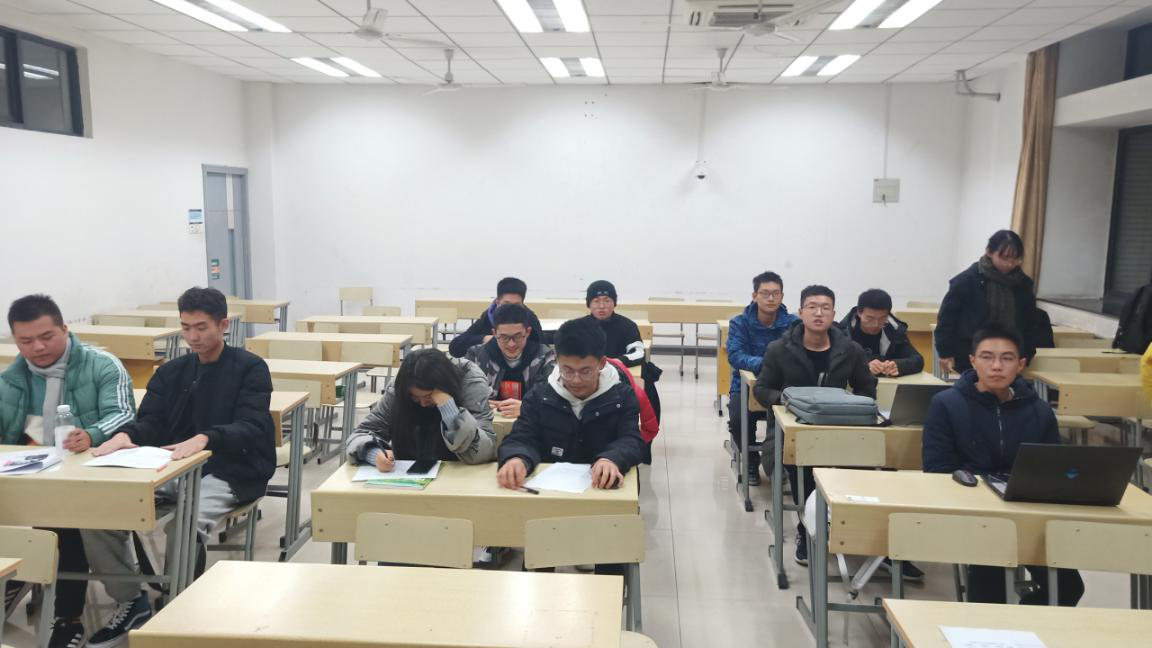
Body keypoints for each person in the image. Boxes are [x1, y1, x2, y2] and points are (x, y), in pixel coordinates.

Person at [86, 286, 276, 648]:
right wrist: (127, 435)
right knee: (99, 514)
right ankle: (131, 600)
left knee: (185, 524)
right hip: (171, 467)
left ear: (223, 325)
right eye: (186, 327)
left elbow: (252, 426)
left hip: (231, 469)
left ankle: (178, 607)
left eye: (201, 327)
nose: (193, 337)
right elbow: (152, 422)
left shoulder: (250, 368)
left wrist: (206, 438)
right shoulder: (172, 371)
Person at [1, 294, 136, 648]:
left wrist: (92, 433)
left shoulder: (101, 365)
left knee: (72, 520)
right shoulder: (12, 379)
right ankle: (18, 574)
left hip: (95, 478)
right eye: (26, 341)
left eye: (46, 336)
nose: (37, 347)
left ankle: (72, 614)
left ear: (64, 328)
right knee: (47, 518)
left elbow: (123, 414)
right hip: (33, 480)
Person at [923, 325, 1084, 606]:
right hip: (974, 514)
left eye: (1007, 358)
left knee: (1068, 587)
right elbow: (937, 469)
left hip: (1028, 515)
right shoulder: (947, 404)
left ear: (1020, 364)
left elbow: (1054, 467)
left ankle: (1023, 625)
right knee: (990, 587)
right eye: (987, 357)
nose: (996, 366)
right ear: (972, 361)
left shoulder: (1039, 411)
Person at [753, 286, 881, 568]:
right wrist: (789, 401)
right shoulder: (779, 349)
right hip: (792, 433)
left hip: (841, 429)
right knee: (805, 472)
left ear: (834, 314)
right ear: (800, 312)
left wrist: (850, 407)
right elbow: (762, 389)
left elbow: (866, 388)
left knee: (868, 468)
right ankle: (807, 530)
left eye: (825, 307)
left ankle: (861, 535)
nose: (818, 313)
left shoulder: (850, 350)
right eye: (812, 307)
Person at [497, 318, 646, 492]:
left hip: (601, 488)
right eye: (567, 370)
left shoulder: (621, 396)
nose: (576, 380)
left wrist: (611, 458)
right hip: (548, 491)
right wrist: (517, 458)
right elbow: (522, 436)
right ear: (556, 361)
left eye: (585, 371)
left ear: (602, 363)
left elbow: (631, 439)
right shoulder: (539, 395)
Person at [345, 348, 495, 469]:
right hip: (410, 477)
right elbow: (363, 433)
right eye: (415, 398)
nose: (422, 404)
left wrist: (449, 409)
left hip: (462, 476)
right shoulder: (400, 387)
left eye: (428, 396)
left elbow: (483, 451)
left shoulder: (470, 382)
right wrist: (373, 452)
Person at [726, 271, 797, 486]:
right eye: (765, 293)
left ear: (782, 296)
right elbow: (735, 355)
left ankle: (782, 461)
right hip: (745, 386)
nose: (771, 298)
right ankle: (751, 460)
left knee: (795, 420)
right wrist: (767, 363)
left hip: (783, 386)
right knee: (738, 419)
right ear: (754, 295)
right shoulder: (740, 323)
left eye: (776, 293)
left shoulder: (793, 323)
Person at [936, 230, 1041, 375]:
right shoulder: (966, 281)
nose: (1010, 264)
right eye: (1004, 258)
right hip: (969, 355)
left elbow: (1030, 324)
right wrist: (945, 352)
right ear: (989, 252)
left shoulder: (1024, 285)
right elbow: (946, 319)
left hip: (1011, 358)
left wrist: (1026, 355)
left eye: (1016, 259)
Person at [464, 303, 554, 420]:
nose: (511, 344)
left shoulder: (545, 357)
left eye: (517, 336)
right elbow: (463, 394)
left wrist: (527, 408)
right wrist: (478, 404)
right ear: (494, 333)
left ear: (527, 332)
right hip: (486, 423)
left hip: (530, 423)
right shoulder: (476, 355)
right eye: (504, 337)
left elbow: (552, 398)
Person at [448, 277, 543, 358]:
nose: (511, 309)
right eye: (506, 304)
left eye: (516, 305)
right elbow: (455, 348)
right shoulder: (488, 318)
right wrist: (484, 339)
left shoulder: (530, 319)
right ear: (497, 302)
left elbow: (541, 348)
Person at [838, 288, 924, 377]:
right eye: (870, 318)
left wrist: (898, 365)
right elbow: (836, 361)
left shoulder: (894, 331)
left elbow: (918, 360)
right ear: (859, 313)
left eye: (882, 318)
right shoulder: (844, 331)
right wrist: (863, 365)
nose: (876, 324)